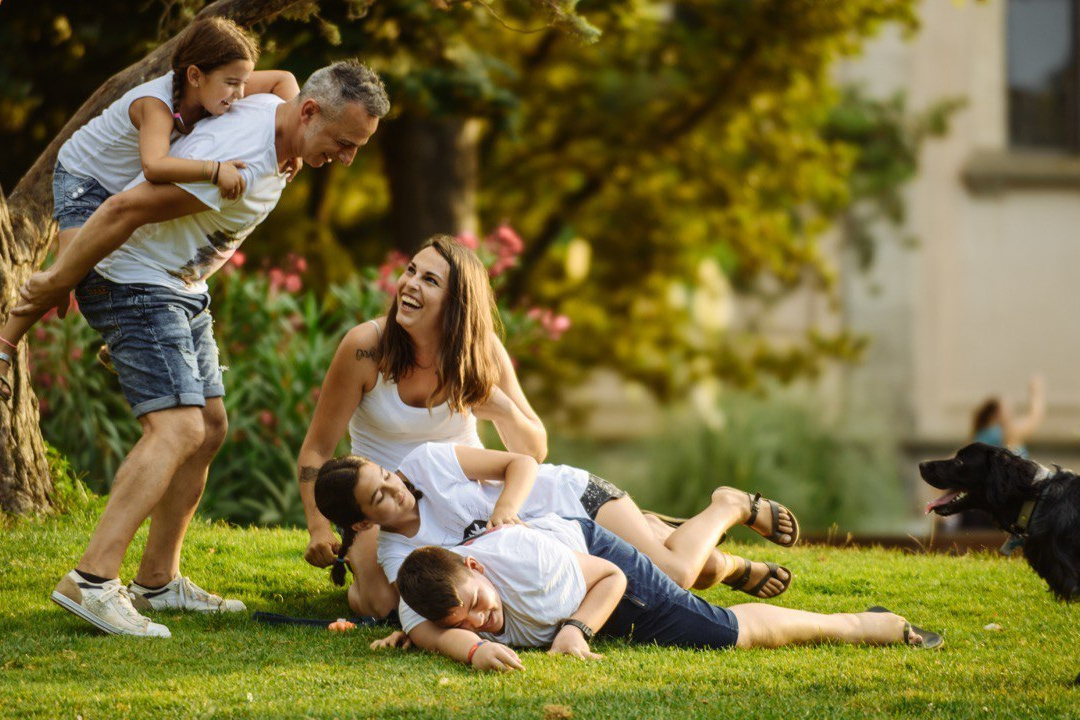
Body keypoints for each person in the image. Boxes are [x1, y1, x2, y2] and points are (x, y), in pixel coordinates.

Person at [18, 59, 390, 638]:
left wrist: (301, 142)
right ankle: (91, 580)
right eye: (344, 144)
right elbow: (123, 208)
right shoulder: (241, 159)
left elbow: (283, 80)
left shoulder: (285, 118)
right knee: (178, 428)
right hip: (132, 278)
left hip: (180, 285)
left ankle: (158, 581)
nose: (347, 159)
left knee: (210, 426)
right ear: (311, 114)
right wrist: (58, 279)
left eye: (356, 148)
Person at [297, 236, 795, 618]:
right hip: (384, 506)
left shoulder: (479, 351)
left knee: (675, 571)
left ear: (456, 303)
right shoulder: (366, 348)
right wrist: (321, 526)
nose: (409, 285)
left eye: (430, 280)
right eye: (410, 271)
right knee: (383, 604)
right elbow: (316, 451)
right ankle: (677, 538)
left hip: (472, 496)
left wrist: (500, 409)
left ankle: (722, 539)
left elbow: (532, 450)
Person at [0, 17, 302, 401]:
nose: (241, 94)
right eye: (232, 83)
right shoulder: (157, 104)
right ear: (195, 75)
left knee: (74, 271)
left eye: (244, 82)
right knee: (66, 275)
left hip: (121, 187)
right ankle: (4, 346)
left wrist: (295, 141)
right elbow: (154, 167)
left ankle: (127, 344)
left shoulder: (219, 84)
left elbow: (284, 81)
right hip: (86, 179)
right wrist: (214, 170)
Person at [312, 443, 799, 625]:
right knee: (694, 569)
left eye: (386, 476)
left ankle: (729, 504)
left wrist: (504, 510)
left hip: (571, 500)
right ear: (363, 523)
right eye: (379, 497)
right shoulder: (400, 553)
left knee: (675, 572)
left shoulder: (426, 462)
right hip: (566, 549)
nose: (396, 489)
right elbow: (398, 605)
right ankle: (726, 565)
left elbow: (521, 462)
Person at [394, 518, 943, 672]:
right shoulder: (422, 599)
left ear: (476, 564)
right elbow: (432, 632)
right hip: (569, 581)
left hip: (596, 567)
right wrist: (470, 649)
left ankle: (868, 624)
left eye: (479, 603)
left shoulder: (530, 565)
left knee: (721, 632)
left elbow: (610, 578)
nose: (482, 620)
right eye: (464, 621)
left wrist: (576, 630)